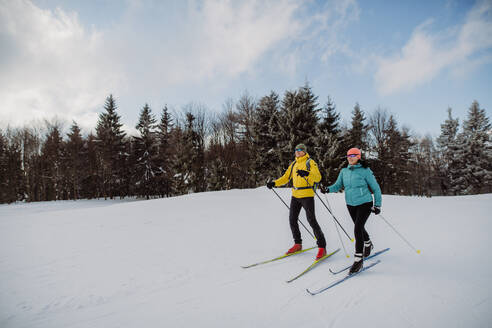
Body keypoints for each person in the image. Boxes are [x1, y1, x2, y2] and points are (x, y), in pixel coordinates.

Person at [321, 147, 382, 274]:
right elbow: (337, 186)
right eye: (348, 155)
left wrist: (377, 205)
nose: (350, 157)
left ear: (359, 157)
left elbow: (376, 188)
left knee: (357, 228)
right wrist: (327, 189)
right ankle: (368, 242)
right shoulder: (344, 171)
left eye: (353, 155)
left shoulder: (365, 170)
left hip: (365, 203)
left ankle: (358, 259)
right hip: (350, 204)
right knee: (358, 226)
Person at [266, 143, 327, 260]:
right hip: (295, 195)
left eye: (300, 150)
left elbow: (318, 177)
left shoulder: (310, 162)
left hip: (307, 195)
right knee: (292, 219)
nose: (298, 152)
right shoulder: (294, 164)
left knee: (311, 220)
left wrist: (307, 173)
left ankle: (322, 247)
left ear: (304, 151)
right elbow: (285, 178)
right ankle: (298, 244)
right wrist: (274, 183)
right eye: (296, 150)